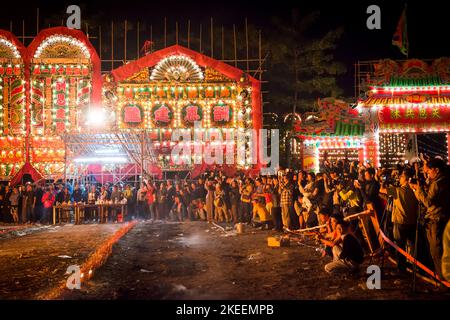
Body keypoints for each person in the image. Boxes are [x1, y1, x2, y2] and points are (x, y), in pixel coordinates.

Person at [410, 158, 450, 280]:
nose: (427, 173)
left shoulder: (438, 183)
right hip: (441, 218)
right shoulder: (442, 180)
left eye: (429, 171)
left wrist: (419, 189)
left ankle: (443, 281)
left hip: (436, 219)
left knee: (437, 252)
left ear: (436, 170)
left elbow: (428, 202)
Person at [380, 169, 419, 273]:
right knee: (412, 245)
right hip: (412, 220)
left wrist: (384, 180)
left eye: (401, 176)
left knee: (399, 245)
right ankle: (415, 266)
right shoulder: (415, 189)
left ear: (405, 178)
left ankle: (401, 268)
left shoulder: (397, 190)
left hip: (400, 221)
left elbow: (382, 190)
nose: (399, 178)